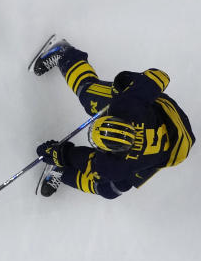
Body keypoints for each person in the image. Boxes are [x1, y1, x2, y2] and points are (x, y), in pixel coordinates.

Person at [30, 36, 194, 198]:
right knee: (90, 96)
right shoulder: (128, 105)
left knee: (110, 190)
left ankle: (62, 171)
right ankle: (64, 53)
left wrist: (61, 156)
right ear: (117, 118)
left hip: (171, 147)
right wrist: (125, 86)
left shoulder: (114, 165)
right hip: (164, 124)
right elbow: (159, 77)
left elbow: (89, 163)